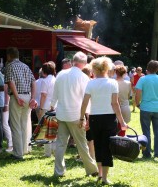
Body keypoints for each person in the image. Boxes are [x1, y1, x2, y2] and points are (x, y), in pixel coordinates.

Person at [50, 51, 98, 177]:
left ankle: (58, 171)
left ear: (73, 61)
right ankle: (92, 169)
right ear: (84, 64)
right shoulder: (83, 78)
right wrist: (87, 117)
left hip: (61, 114)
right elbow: (86, 100)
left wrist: (52, 106)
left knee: (61, 144)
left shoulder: (61, 74)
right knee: (82, 144)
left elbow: (55, 93)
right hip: (76, 116)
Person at [80, 56, 127, 185]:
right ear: (107, 68)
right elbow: (115, 104)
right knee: (107, 147)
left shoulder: (90, 83)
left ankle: (100, 174)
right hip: (109, 118)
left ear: (94, 69)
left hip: (95, 118)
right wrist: (122, 122)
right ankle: (105, 177)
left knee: (98, 146)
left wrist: (82, 118)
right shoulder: (112, 83)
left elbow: (84, 104)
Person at [4, 47, 37, 160]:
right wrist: (33, 98)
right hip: (27, 96)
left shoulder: (9, 66)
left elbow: (11, 82)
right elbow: (33, 82)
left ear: (9, 55)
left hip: (17, 96)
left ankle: (18, 153)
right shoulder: (25, 66)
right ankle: (25, 149)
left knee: (15, 125)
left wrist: (17, 97)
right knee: (25, 124)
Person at [135, 60, 158, 159]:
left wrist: (137, 104)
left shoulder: (142, 79)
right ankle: (157, 153)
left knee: (146, 132)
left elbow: (138, 93)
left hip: (145, 108)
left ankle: (147, 153)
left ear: (147, 68)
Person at [36, 62, 56, 157]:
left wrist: (40, 107)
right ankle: (53, 149)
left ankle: (47, 152)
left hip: (45, 106)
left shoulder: (45, 81)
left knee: (45, 129)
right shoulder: (55, 79)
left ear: (44, 71)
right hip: (54, 106)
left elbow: (43, 95)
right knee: (53, 129)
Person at [115, 65, 132, 136]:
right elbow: (128, 96)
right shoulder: (128, 83)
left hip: (114, 108)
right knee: (123, 130)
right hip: (125, 107)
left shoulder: (112, 82)